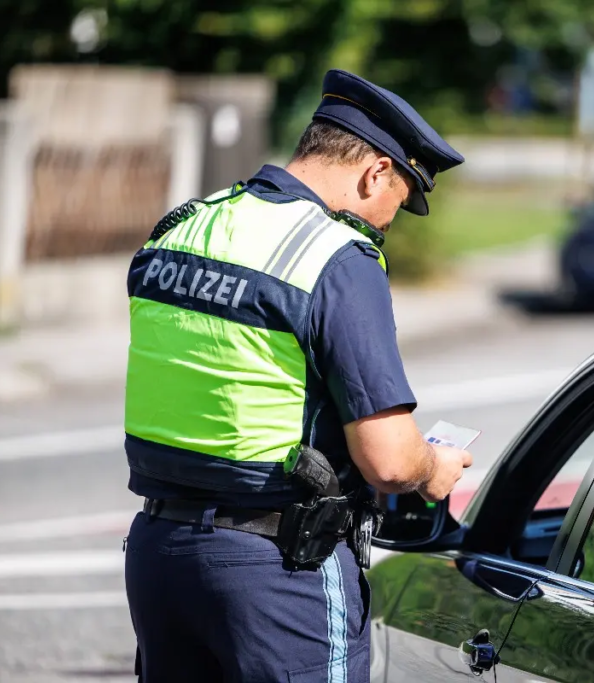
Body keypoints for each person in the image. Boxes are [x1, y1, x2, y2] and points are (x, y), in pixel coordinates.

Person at [122, 69, 473, 682]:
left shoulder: (183, 226)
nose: (391, 221)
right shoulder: (337, 258)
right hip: (279, 571)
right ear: (376, 172)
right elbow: (389, 461)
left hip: (160, 556)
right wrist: (431, 468)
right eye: (402, 200)